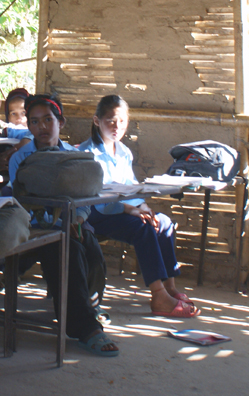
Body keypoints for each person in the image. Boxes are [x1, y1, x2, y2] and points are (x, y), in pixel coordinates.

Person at [9, 95, 118, 356]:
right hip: (36, 227)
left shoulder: (75, 156)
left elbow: (85, 197)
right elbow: (23, 202)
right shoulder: (21, 159)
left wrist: (77, 219)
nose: (42, 127)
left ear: (61, 122)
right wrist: (57, 222)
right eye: (34, 122)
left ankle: (90, 306)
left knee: (91, 248)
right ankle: (85, 328)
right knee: (66, 250)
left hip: (72, 221)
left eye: (48, 120)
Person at [79, 95, 199, 318]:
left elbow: (131, 187)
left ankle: (170, 287)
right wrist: (130, 210)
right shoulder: (86, 154)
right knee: (143, 228)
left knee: (163, 223)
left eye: (122, 121)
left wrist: (142, 207)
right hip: (96, 212)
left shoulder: (124, 152)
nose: (117, 127)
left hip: (123, 210)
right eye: (110, 121)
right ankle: (158, 295)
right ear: (97, 121)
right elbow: (94, 195)